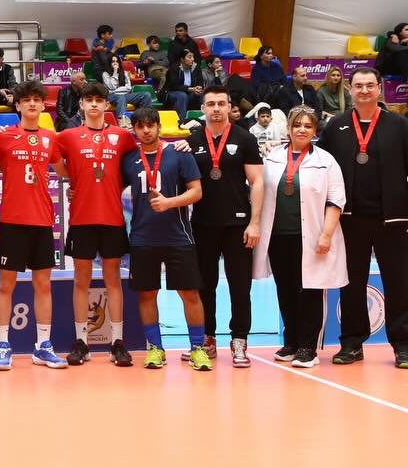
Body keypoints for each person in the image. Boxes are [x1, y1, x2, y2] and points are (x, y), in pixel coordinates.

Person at [318, 68, 408, 367]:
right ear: (350, 89)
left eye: (370, 85)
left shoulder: (399, 125)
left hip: (392, 219)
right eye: (359, 86)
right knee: (351, 284)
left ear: (380, 88)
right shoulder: (336, 126)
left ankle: (403, 344)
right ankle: (352, 343)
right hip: (350, 219)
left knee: (399, 283)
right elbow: (321, 167)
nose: (365, 90)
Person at [174, 85, 264, 368]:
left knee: (240, 286)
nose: (216, 109)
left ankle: (239, 341)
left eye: (221, 103)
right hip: (203, 224)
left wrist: (255, 223)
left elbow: (257, 182)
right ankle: (207, 339)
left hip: (238, 224)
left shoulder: (245, 138)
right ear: (202, 108)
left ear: (229, 107)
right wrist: (180, 151)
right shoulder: (192, 141)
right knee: (204, 285)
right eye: (210, 104)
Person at [254, 107, 347, 368]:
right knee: (285, 290)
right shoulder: (272, 156)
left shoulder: (326, 160)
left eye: (307, 126)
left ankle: (308, 347)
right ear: (288, 129)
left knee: (310, 291)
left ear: (315, 130)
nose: (302, 130)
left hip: (312, 237)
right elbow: (258, 189)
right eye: (297, 125)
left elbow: (336, 200)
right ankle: (291, 342)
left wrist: (326, 234)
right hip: (278, 236)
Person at [0, 81, 67, 369]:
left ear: (43, 105)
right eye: (26, 100)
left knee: (43, 284)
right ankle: (2, 345)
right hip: (12, 220)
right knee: (6, 284)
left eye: (36, 100)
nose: (32, 104)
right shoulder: (3, 137)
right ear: (17, 105)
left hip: (43, 220)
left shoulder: (50, 138)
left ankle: (43, 346)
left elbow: (65, 171)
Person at [51, 82, 133, 365]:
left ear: (107, 105)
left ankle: (117, 342)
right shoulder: (68, 136)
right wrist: (70, 178)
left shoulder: (122, 136)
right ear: (82, 105)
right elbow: (48, 153)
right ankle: (81, 342)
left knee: (113, 279)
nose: (95, 104)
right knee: (81, 280)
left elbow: (139, 160)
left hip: (112, 218)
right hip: (82, 218)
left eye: (100, 100)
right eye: (89, 100)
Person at [121, 107, 208, 370]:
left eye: (151, 125)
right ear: (134, 130)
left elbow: (196, 192)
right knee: (147, 294)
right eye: (140, 126)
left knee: (189, 293)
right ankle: (156, 349)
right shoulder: (128, 160)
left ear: (159, 126)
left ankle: (197, 348)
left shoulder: (179, 154)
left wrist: (169, 203)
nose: (146, 130)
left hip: (178, 236)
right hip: (142, 238)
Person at [103, 56, 150, 122]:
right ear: (109, 63)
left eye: (117, 61)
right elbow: (111, 86)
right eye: (113, 62)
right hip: (111, 96)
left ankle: (145, 119)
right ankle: (122, 121)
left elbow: (128, 88)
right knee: (121, 97)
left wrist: (115, 90)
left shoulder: (124, 73)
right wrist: (115, 72)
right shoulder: (105, 74)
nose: (115, 63)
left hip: (125, 95)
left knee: (146, 95)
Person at [163, 50, 204, 120]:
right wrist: (190, 89)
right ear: (182, 59)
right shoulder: (174, 68)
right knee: (182, 95)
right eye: (189, 57)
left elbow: (200, 82)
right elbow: (173, 86)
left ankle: (202, 119)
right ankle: (182, 120)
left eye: (193, 57)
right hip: (172, 93)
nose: (192, 59)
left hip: (190, 93)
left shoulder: (196, 68)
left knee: (202, 94)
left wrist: (199, 88)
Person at [250, 45, 288, 111]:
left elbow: (284, 80)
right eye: (268, 53)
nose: (271, 55)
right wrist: (275, 88)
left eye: (271, 53)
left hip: (279, 91)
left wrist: (281, 87)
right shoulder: (256, 69)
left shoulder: (277, 66)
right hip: (265, 94)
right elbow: (257, 86)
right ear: (261, 56)